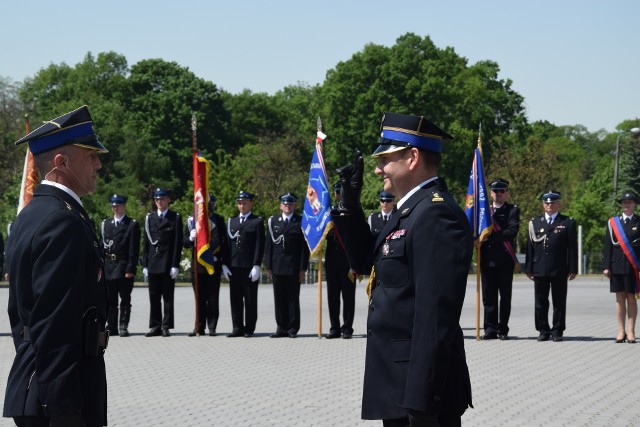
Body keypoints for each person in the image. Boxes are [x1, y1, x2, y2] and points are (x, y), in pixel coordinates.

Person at [332, 112, 473, 426]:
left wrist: (422, 399)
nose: (378, 168)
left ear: (413, 157)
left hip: (420, 391)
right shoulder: (410, 210)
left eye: (385, 159)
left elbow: (435, 315)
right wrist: (349, 208)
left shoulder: (435, 214)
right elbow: (364, 262)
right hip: (398, 382)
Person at [4, 105, 109, 426]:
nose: (98, 164)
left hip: (39, 387)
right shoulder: (61, 221)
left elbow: (21, 316)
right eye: (90, 155)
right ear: (61, 163)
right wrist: (63, 408)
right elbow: (54, 323)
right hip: (59, 398)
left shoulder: (35, 213)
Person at [525, 190, 578, 342]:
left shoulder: (567, 222)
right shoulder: (535, 222)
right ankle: (543, 330)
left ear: (559, 204)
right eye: (547, 202)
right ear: (543, 204)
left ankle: (557, 330)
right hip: (540, 267)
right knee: (540, 302)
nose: (549, 205)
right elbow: (530, 247)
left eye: (553, 202)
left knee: (559, 301)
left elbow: (572, 248)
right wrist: (528, 268)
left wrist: (573, 269)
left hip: (559, 268)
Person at [264, 192, 310, 338]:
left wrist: (303, 268)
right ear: (280, 206)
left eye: (290, 204)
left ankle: (292, 328)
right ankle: (281, 327)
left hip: (293, 267)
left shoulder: (301, 222)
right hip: (277, 266)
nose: (287, 206)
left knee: (292, 299)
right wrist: (268, 266)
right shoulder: (273, 221)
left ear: (294, 205)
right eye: (285, 204)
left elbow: (304, 248)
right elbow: (268, 246)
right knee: (279, 299)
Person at [480, 178, 520, 340]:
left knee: (505, 297)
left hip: (504, 260)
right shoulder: (484, 211)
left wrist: (490, 237)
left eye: (502, 191)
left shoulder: (512, 210)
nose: (498, 194)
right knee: (488, 297)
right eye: (495, 191)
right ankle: (490, 329)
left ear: (507, 193)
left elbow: (512, 231)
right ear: (490, 193)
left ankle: (503, 329)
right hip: (487, 260)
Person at [183, 193, 228, 336]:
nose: (210, 206)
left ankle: (212, 327)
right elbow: (184, 243)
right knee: (199, 298)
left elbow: (224, 241)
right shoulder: (191, 220)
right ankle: (199, 327)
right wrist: (190, 238)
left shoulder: (218, 220)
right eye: (207, 204)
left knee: (213, 297)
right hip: (197, 265)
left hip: (213, 263)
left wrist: (222, 260)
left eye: (211, 204)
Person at [141, 188, 183, 337]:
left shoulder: (175, 217)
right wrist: (145, 264)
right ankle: (155, 326)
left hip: (167, 263)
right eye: (157, 200)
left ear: (168, 200)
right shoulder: (150, 218)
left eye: (162, 199)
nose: (159, 202)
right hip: (153, 262)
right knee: (154, 297)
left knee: (167, 297)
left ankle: (166, 325)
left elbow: (177, 244)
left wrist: (175, 265)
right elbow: (146, 243)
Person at [223, 190, 264, 337]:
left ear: (251, 203)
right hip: (234, 266)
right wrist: (224, 264)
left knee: (250, 300)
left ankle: (249, 328)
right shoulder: (231, 221)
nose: (242, 206)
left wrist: (257, 265)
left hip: (248, 266)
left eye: (245, 203)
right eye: (239, 203)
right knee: (235, 300)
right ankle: (237, 327)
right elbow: (227, 245)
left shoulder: (257, 221)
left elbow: (259, 245)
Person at [602, 191, 640, 343]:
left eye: (630, 202)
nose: (627, 205)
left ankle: (631, 331)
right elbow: (607, 246)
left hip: (634, 266)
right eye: (624, 202)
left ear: (635, 204)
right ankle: (620, 331)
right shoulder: (613, 223)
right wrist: (606, 266)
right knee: (619, 299)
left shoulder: (639, 221)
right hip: (616, 265)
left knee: (632, 298)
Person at [101, 194, 141, 338]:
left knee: (125, 298)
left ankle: (123, 326)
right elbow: (102, 246)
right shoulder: (106, 223)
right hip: (110, 265)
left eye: (118, 205)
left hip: (124, 266)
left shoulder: (132, 224)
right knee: (111, 300)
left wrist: (131, 268)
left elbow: (133, 249)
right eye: (113, 206)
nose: (115, 208)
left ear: (124, 206)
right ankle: (112, 326)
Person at [325, 182, 358, 339]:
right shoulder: (329, 213)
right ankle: (334, 327)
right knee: (332, 297)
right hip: (331, 262)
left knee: (348, 297)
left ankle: (347, 328)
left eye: (341, 192)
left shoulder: (352, 212)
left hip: (348, 262)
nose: (339, 195)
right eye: (337, 192)